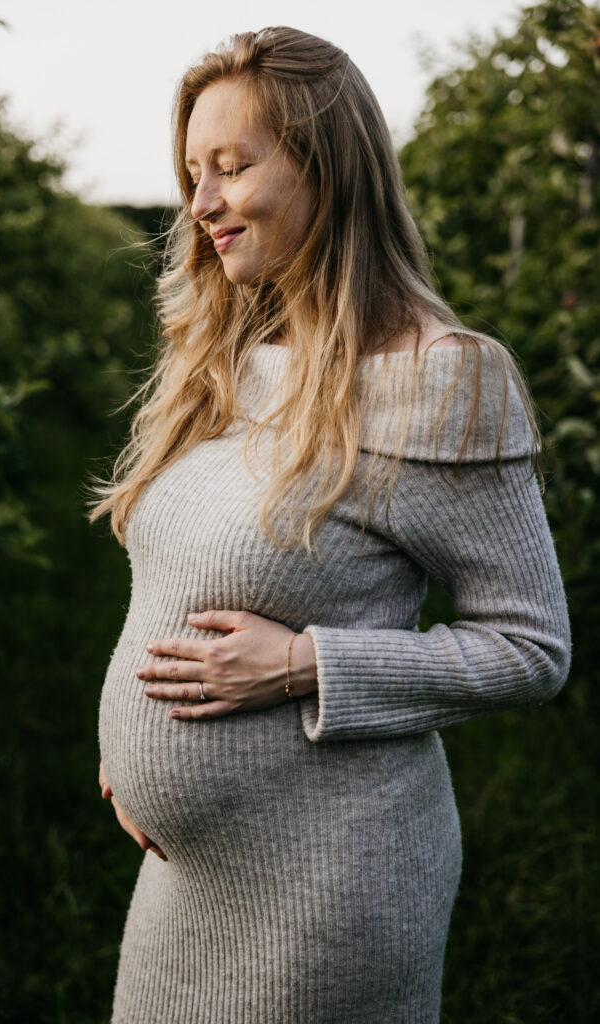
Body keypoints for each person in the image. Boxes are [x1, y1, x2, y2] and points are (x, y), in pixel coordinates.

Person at [89, 26, 571, 1024]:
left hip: (324, 893)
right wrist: (128, 754)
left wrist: (304, 662)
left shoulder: (438, 376)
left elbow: (530, 646)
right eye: (192, 172)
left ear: (327, 166)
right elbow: (175, 578)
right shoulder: (235, 356)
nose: (202, 202)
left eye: (233, 166)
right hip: (180, 884)